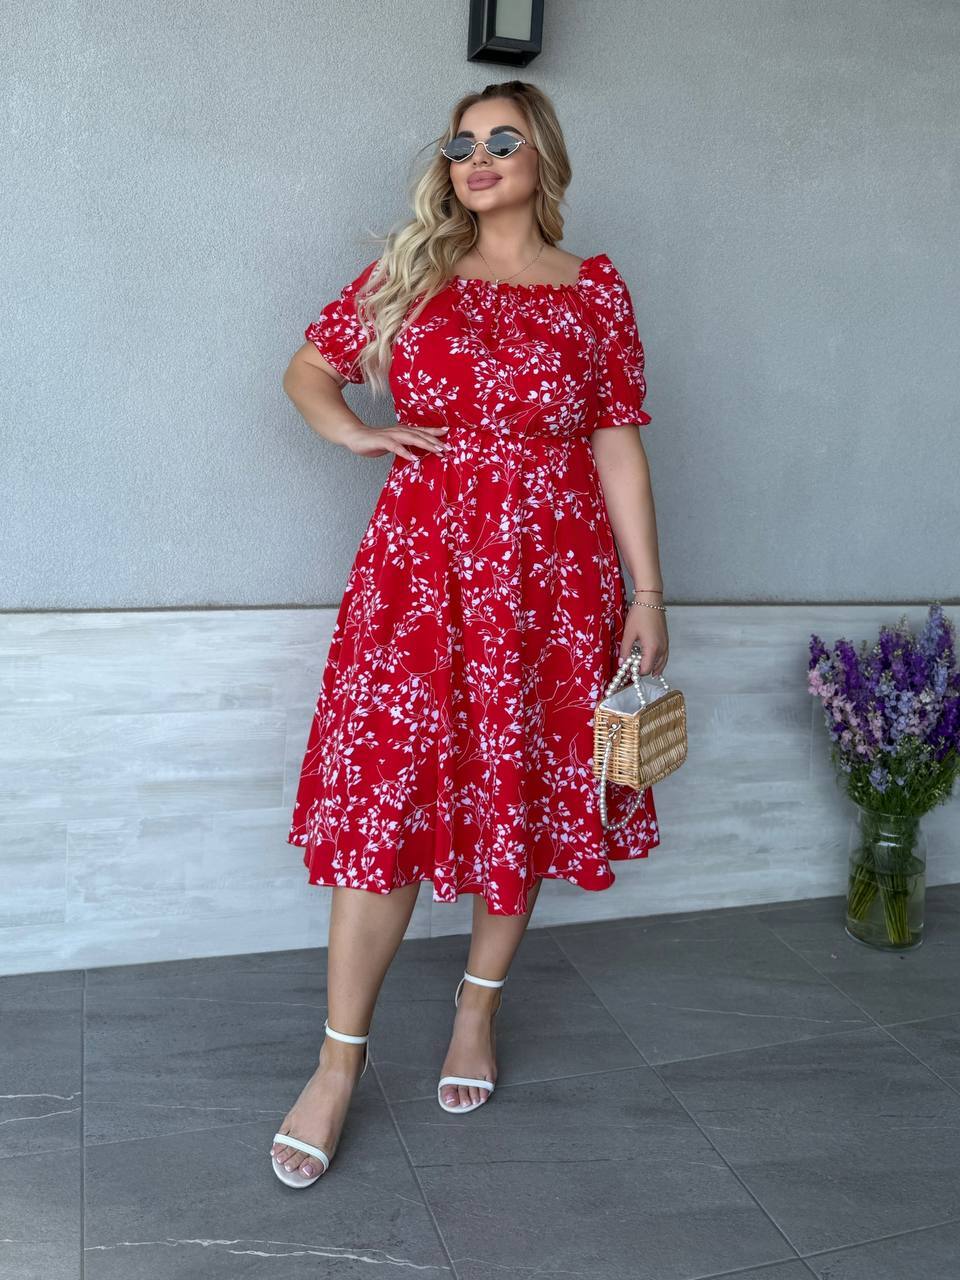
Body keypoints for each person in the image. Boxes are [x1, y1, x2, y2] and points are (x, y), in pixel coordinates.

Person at [271, 79, 668, 1187]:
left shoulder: (595, 291)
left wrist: (647, 594)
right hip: (421, 575)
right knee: (385, 801)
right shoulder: (415, 273)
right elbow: (307, 371)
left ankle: (476, 1009)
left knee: (524, 788)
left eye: (503, 140)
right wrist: (357, 433)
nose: (478, 158)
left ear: (545, 158)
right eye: (462, 145)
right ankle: (337, 1065)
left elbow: (617, 441)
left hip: (554, 582)